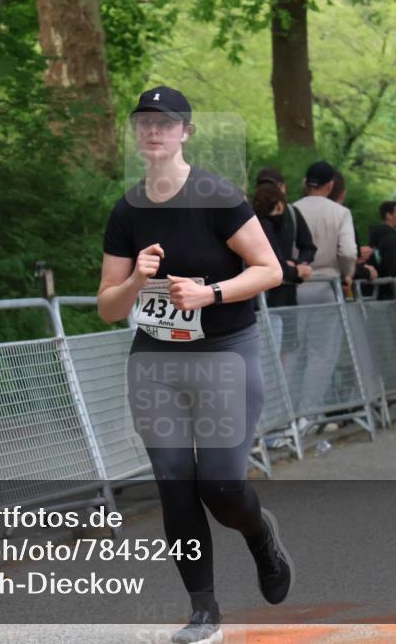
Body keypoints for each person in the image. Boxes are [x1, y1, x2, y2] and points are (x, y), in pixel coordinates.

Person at [98, 85, 290, 644]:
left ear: (185, 132)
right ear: (137, 135)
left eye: (166, 122)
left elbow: (270, 269)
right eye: (144, 122)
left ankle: (260, 538)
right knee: (175, 485)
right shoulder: (127, 210)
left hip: (224, 354)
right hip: (156, 360)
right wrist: (136, 279)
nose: (154, 130)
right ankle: (203, 613)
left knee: (221, 487)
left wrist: (213, 294)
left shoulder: (217, 196)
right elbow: (109, 306)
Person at [292, 161, 357, 303]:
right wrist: (346, 274)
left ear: (305, 183)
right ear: (330, 185)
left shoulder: (291, 210)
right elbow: (348, 252)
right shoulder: (341, 213)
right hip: (330, 285)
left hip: (297, 284)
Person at [252, 168, 316, 308]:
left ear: (283, 188)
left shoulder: (292, 214)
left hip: (287, 290)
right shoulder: (250, 218)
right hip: (260, 294)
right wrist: (291, 269)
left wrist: (298, 263)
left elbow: (308, 247)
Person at [329, 171, 377, 289]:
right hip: (334, 285)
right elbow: (347, 253)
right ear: (342, 194)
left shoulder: (297, 209)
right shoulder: (343, 214)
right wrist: (365, 271)